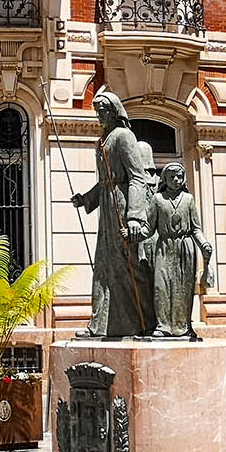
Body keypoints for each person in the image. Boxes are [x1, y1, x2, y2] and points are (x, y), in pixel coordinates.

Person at [71, 91, 158, 339]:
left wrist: (134, 216)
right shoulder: (103, 140)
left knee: (130, 264)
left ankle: (148, 321)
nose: (99, 115)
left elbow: (137, 178)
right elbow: (105, 182)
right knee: (104, 265)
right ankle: (101, 325)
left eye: (103, 110)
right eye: (97, 111)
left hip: (122, 205)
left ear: (114, 111)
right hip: (108, 207)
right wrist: (87, 198)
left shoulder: (123, 136)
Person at [149, 164, 214, 339]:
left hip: (185, 249)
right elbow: (148, 229)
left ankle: (183, 326)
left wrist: (204, 245)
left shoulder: (188, 199)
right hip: (164, 247)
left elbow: (196, 229)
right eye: (172, 177)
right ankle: (163, 326)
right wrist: (131, 234)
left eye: (179, 177)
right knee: (161, 287)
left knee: (182, 290)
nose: (176, 180)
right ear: (165, 179)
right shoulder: (157, 199)